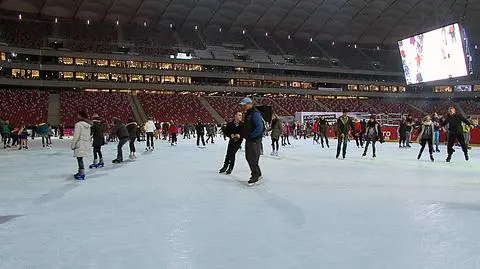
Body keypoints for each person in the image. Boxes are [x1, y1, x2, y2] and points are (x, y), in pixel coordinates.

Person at [240, 97, 265, 185]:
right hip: (250, 139)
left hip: (254, 140)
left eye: (244, 105)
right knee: (250, 158)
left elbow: (259, 127)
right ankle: (258, 174)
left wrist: (251, 136)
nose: (242, 107)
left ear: (249, 104)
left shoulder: (255, 114)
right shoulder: (249, 113)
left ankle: (255, 175)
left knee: (252, 158)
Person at [71, 110, 91, 180]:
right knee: (80, 158)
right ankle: (80, 171)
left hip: (79, 143)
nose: (77, 116)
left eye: (78, 115)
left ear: (81, 116)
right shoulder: (88, 125)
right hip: (85, 143)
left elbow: (76, 135)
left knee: (79, 159)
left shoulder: (78, 125)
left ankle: (81, 173)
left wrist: (73, 145)